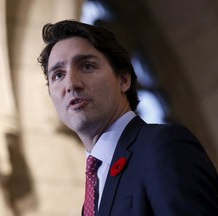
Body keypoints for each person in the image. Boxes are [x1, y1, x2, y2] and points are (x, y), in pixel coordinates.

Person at [37, 19, 218, 216]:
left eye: (87, 66)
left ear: (123, 79)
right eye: (58, 75)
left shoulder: (163, 146)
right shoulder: (95, 186)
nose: (71, 83)